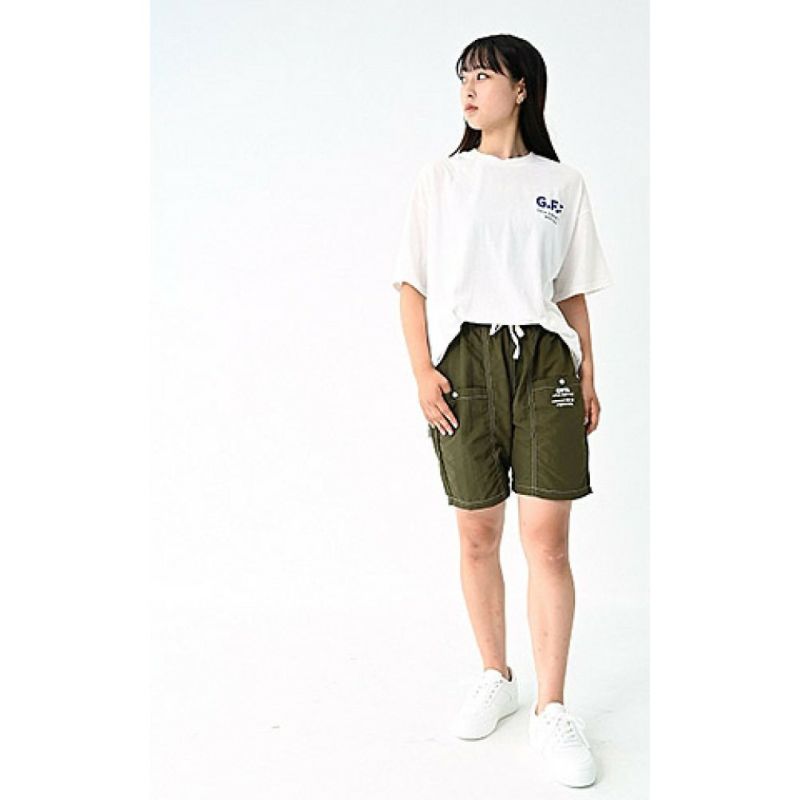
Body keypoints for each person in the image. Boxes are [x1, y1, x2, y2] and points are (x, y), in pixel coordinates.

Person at [391, 35, 614, 789]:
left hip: (545, 362)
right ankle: (497, 674)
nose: (469, 87)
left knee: (547, 542)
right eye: (464, 75)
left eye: (484, 74)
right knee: (477, 531)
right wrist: (422, 371)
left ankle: (552, 708)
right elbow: (411, 283)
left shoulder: (562, 183)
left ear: (521, 89)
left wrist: (588, 368)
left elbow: (571, 287)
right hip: (465, 362)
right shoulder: (442, 180)